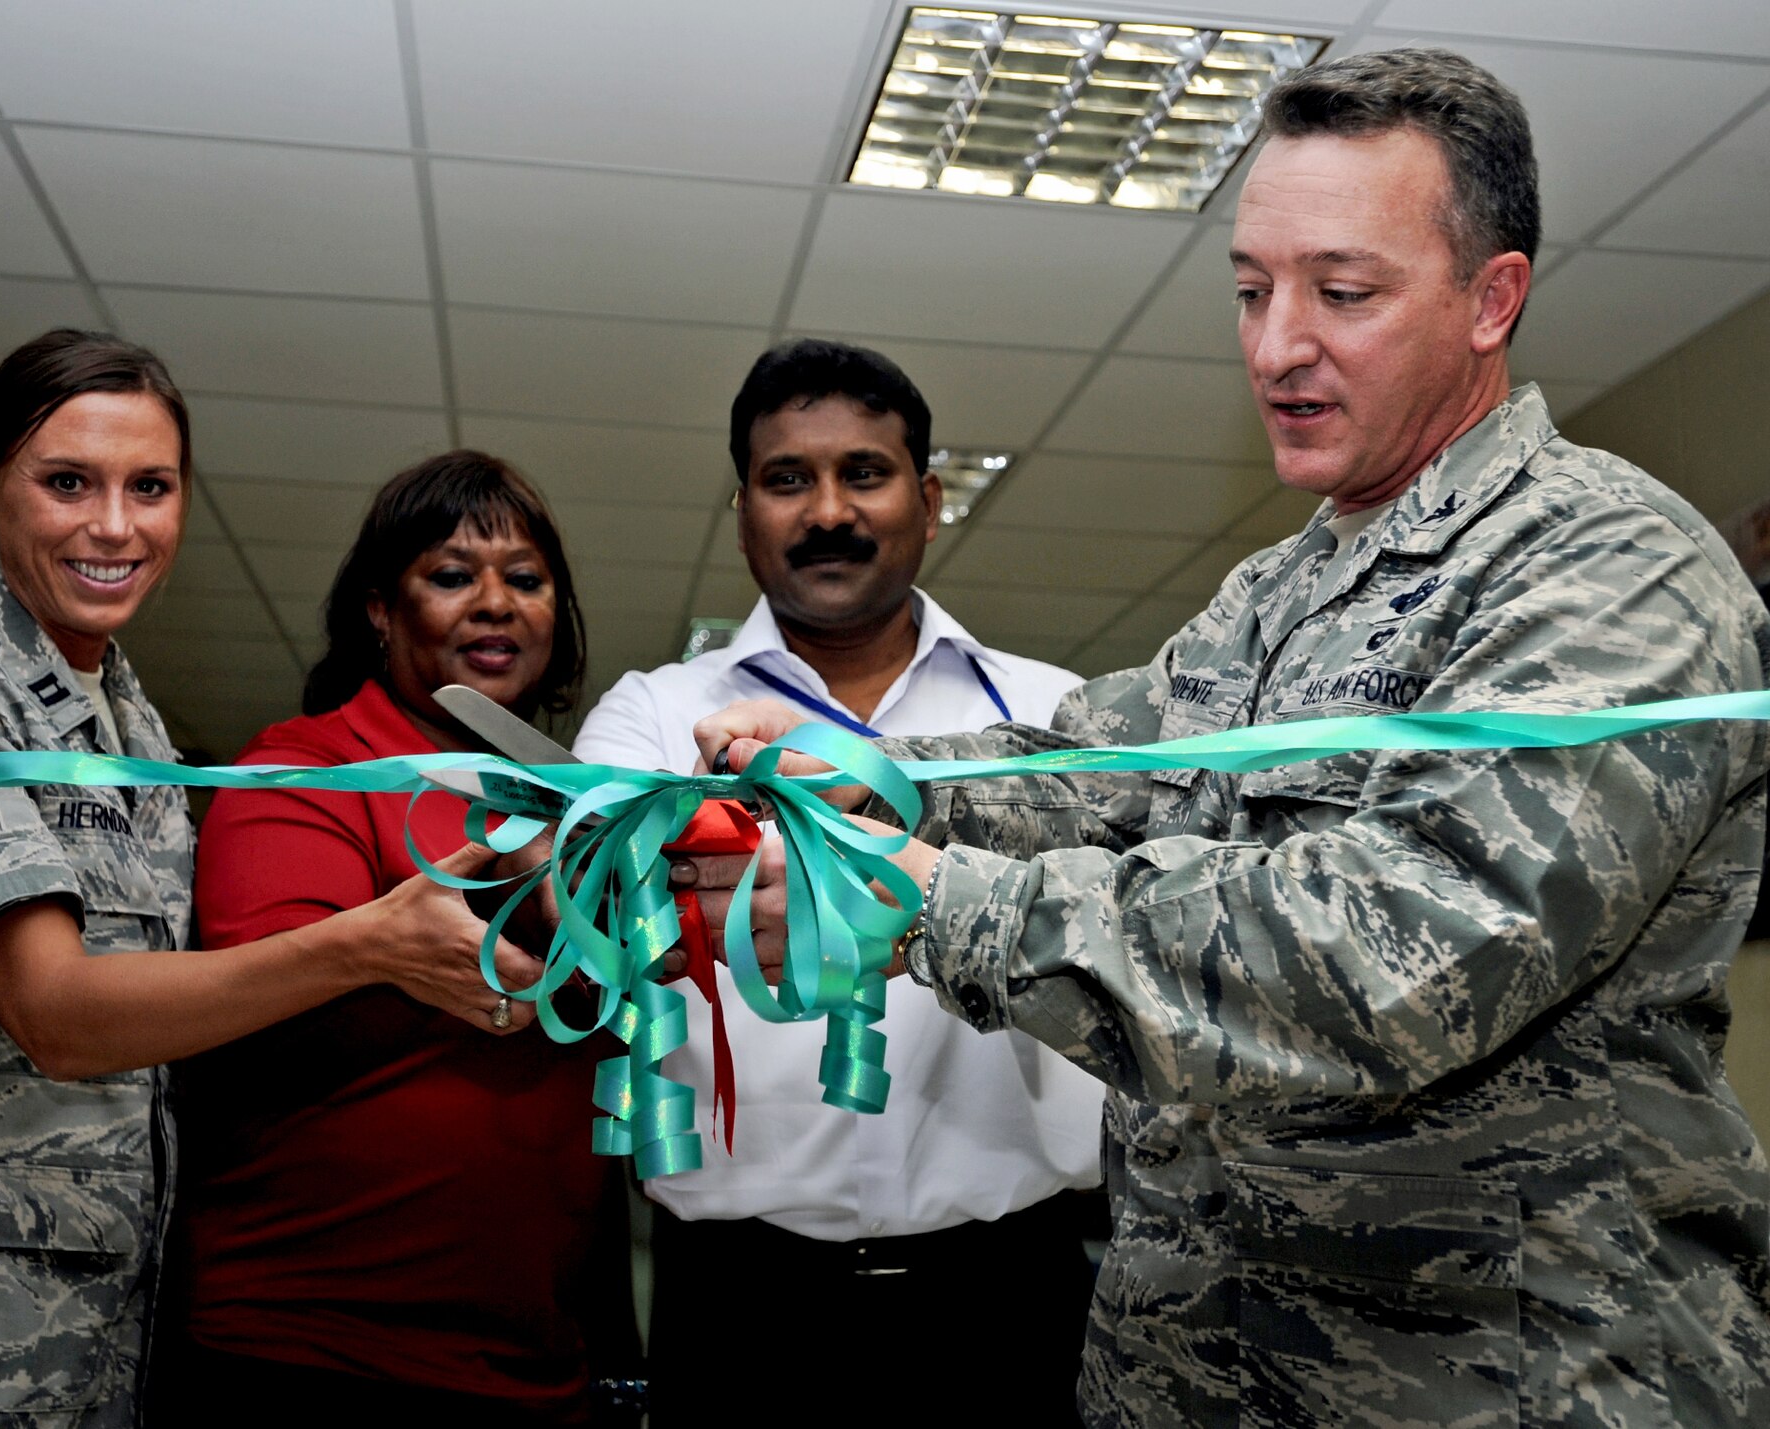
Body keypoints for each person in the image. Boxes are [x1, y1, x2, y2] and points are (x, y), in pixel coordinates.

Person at [685, 49, 1770, 1429]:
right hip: (1192, 1375)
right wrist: (874, 781)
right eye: (1252, 291)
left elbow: (1400, 953)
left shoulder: (1610, 572)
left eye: (1341, 292)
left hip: (1492, 1381)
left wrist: (925, 902)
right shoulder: (1277, 592)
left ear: (1491, 298)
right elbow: (1094, 775)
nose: (1274, 347)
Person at [0, 331, 517, 1427]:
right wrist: (365, 942)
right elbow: (59, 1013)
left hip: (81, 1337)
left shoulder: (132, 728)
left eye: (150, 487)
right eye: (68, 482)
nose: (115, 526)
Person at [575, 338, 1105, 1425]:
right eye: (787, 479)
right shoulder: (654, 716)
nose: (827, 510)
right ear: (742, 514)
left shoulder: (1054, 715)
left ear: (929, 500)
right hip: (741, 1309)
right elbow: (592, 902)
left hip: (1012, 1298)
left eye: (863, 472)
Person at [160, 451, 623, 1425]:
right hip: (317, 1352)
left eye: (526, 579)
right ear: (380, 608)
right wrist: (502, 905)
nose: (495, 603)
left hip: (532, 1361)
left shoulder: (575, 806)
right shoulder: (309, 770)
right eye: (452, 575)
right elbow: (260, 1029)